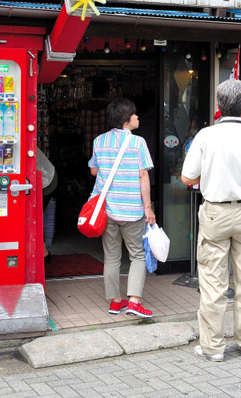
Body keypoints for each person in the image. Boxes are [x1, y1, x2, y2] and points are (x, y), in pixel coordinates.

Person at [180, 79, 241, 361]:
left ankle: (213, 348)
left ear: (218, 108)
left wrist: (210, 177)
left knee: (213, 283)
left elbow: (187, 177)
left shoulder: (205, 136)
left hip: (214, 213)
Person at [88, 98, 156, 318]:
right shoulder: (138, 143)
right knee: (137, 255)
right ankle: (134, 302)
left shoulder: (99, 140)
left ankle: (115, 302)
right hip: (132, 210)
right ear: (127, 120)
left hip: (106, 209)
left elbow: (94, 171)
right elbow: (143, 175)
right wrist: (148, 208)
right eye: (135, 115)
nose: (138, 118)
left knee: (111, 257)